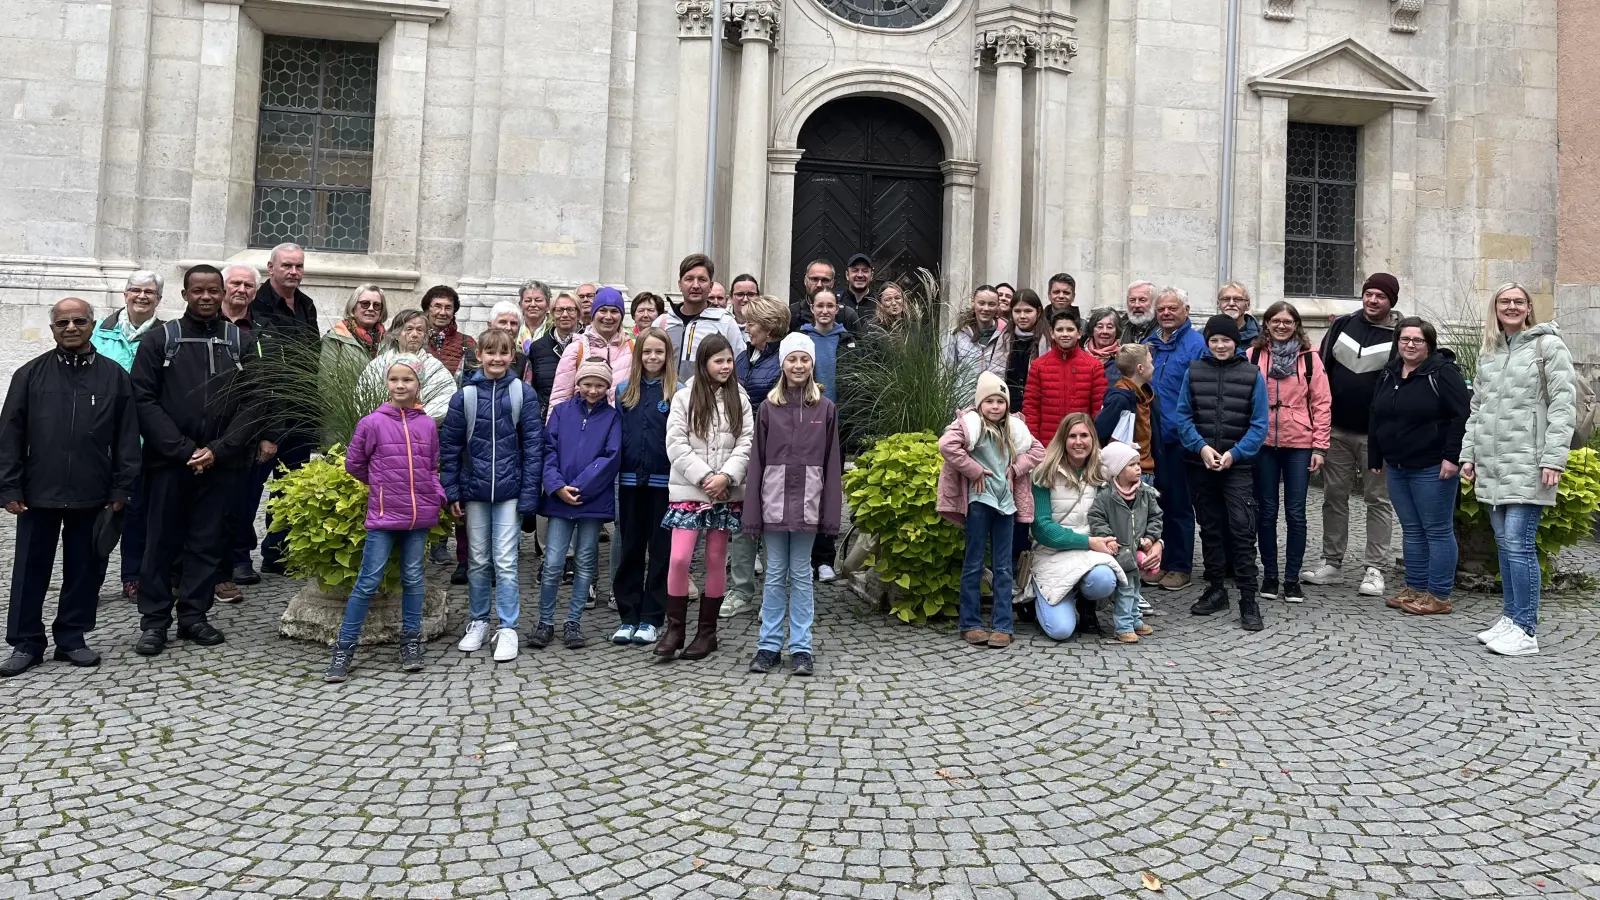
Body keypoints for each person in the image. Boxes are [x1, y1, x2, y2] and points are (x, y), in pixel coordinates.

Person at [0, 298, 140, 676]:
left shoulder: (114, 376)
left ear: (92, 325)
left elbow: (127, 438)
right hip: (37, 492)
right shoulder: (29, 375)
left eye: (79, 321)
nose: (71, 327)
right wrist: (9, 488)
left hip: (93, 492)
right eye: (63, 323)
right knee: (30, 570)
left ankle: (72, 638)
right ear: (52, 329)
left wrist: (121, 489)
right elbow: (10, 435)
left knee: (85, 569)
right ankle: (26, 643)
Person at [131, 265, 261, 656]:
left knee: (207, 543)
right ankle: (154, 622)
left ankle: (193, 616)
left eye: (213, 291)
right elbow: (143, 399)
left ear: (222, 294)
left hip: (221, 465)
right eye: (198, 291)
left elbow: (256, 402)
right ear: (185, 294)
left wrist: (219, 449)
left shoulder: (240, 342)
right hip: (169, 464)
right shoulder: (160, 340)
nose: (206, 297)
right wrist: (183, 449)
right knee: (160, 544)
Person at [1461, 283, 1578, 657]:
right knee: (1504, 543)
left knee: (1518, 543)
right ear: (1495, 308)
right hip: (1494, 463)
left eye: (1518, 301)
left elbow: (1563, 405)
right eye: (1504, 301)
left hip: (1530, 460)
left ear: (1529, 308)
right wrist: (1469, 455)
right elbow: (1477, 409)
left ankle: (1526, 630)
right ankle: (1511, 619)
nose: (1511, 306)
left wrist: (1554, 458)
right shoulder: (1490, 352)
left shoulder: (1548, 347)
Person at [323, 357, 448, 682]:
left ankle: (411, 641)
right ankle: (344, 647)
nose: (401, 385)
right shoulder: (372, 423)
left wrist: (436, 493)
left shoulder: (427, 425)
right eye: (395, 379)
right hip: (384, 515)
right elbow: (354, 464)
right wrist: (381, 485)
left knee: (414, 579)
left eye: (408, 379)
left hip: (418, 516)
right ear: (387, 384)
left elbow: (432, 465)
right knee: (368, 581)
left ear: (418, 384)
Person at [743, 333, 843, 676]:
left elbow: (832, 464)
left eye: (804, 360)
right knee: (774, 574)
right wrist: (752, 513)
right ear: (782, 364)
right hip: (772, 502)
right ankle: (769, 644)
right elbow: (756, 462)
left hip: (809, 504)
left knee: (801, 574)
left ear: (812, 364)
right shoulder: (768, 408)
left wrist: (830, 514)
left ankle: (801, 646)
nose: (798, 366)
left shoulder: (825, 409)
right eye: (792, 359)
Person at [440, 328, 543, 663]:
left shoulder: (523, 394)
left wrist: (529, 494)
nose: (497, 359)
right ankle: (479, 621)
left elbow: (534, 448)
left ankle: (508, 627)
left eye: (503, 353)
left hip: (510, 491)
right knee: (478, 560)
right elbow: (450, 448)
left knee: (506, 561)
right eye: (491, 352)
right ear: (479, 356)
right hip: (475, 491)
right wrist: (452, 490)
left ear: (512, 356)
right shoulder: (464, 397)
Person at [1303, 273, 1400, 597]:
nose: (1373, 300)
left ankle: (1375, 568)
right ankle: (1331, 562)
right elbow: (1321, 371)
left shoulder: (1401, 333)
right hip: (1337, 430)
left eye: (1380, 296)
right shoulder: (1342, 326)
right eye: (1369, 294)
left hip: (1377, 436)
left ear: (1391, 301)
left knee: (1378, 500)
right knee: (1334, 497)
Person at [1367, 317, 1470, 619]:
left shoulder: (1443, 373)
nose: (1410, 345)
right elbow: (1377, 414)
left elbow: (1460, 416)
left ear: (1429, 345)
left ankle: (1438, 594)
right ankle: (1415, 588)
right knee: (1412, 530)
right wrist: (1375, 455)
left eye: (1417, 340)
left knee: (1437, 531)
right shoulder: (1389, 372)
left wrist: (1452, 457)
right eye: (1404, 339)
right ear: (1397, 342)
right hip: (1398, 465)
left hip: (1433, 466)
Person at [660, 334, 753, 661]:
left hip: (725, 493)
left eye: (729, 361)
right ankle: (674, 629)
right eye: (719, 361)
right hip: (690, 489)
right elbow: (676, 444)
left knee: (715, 559)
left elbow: (746, 443)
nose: (726, 366)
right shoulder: (683, 398)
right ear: (704, 363)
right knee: (679, 558)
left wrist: (726, 476)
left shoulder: (740, 399)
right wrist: (705, 477)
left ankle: (707, 632)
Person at [1175, 315, 1269, 631]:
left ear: (1235, 342)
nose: (1220, 345)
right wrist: (1201, 448)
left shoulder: (1252, 374)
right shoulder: (1194, 371)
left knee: (1242, 529)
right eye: (1214, 340)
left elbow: (1259, 425)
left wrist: (1234, 454)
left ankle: (1248, 598)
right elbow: (1183, 417)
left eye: (1225, 340)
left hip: (1237, 465)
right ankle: (1216, 589)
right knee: (1210, 528)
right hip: (1201, 463)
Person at [938, 372, 1044, 649]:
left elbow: (1038, 451)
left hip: (1006, 504)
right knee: (973, 563)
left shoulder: (1015, 428)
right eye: (989, 401)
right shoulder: (970, 425)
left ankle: (1002, 625)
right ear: (980, 403)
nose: (995, 406)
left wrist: (1016, 468)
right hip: (979, 502)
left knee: (1003, 566)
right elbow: (946, 445)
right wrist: (973, 469)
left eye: (1000, 401)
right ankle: (970, 623)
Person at [536, 357, 622, 651]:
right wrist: (557, 486)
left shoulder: (612, 418)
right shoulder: (561, 412)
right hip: (560, 499)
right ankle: (545, 621)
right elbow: (548, 450)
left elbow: (611, 456)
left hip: (591, 499)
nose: (593, 390)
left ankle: (573, 621)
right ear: (578, 383)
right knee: (553, 563)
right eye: (588, 383)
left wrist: (580, 486)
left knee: (585, 560)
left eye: (599, 385)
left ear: (607, 387)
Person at [1248, 301, 1331, 605]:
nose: (1281, 326)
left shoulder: (1309, 358)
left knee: (1296, 513)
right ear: (1267, 324)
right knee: (1266, 512)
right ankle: (1270, 574)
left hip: (1300, 442)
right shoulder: (1253, 355)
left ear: (1296, 325)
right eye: (1276, 321)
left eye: (1287, 321)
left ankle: (1292, 578)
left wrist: (1320, 446)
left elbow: (1321, 403)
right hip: (1263, 442)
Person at [92, 271, 163, 599]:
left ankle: (133, 575)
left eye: (149, 292)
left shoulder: (166, 334)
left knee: (137, 511)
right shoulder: (99, 331)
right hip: (102, 436)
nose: (142, 296)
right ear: (125, 293)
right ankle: (90, 579)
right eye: (136, 290)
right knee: (97, 509)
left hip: (146, 438)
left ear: (159, 299)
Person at [250, 243, 320, 576]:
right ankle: (237, 556)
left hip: (300, 410)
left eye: (299, 266)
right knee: (251, 488)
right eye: (287, 265)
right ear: (271, 267)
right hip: (266, 410)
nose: (294, 271)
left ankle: (278, 553)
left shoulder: (306, 305)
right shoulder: (256, 303)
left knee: (291, 488)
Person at [1028, 414, 1125, 640]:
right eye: (1072, 436)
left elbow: (1127, 514)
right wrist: (1088, 541)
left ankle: (1086, 603)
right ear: (1063, 439)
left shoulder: (1104, 473)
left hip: (1091, 554)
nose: (1078, 442)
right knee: (1061, 631)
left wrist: (1155, 542)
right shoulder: (1043, 473)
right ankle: (1039, 597)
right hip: (1053, 554)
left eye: (1084, 435)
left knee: (1104, 580)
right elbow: (1041, 528)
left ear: (1093, 438)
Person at [612, 328, 679, 646]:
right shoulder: (624, 390)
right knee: (631, 547)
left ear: (668, 356)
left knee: (661, 551)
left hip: (664, 483)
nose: (653, 357)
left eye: (659, 352)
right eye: (647, 352)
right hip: (629, 481)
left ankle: (652, 617)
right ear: (638, 355)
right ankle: (628, 616)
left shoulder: (677, 392)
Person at [725, 297, 790, 618]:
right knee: (742, 521)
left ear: (769, 327)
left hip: (775, 451)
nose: (746, 328)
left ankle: (774, 595)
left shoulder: (786, 360)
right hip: (742, 448)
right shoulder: (742, 357)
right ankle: (741, 590)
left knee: (775, 522)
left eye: (751, 323)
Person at [1143, 287, 1206, 590]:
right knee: (1154, 502)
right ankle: (1157, 561)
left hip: (1179, 436)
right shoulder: (1149, 343)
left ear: (1186, 310)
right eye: (1161, 309)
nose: (1166, 313)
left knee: (1179, 503)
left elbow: (1200, 392)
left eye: (1173, 308)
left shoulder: (1196, 345)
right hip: (1149, 436)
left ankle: (1180, 565)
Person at [214, 263, 263, 599]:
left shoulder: (263, 330)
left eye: (248, 285)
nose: (241, 290)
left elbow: (271, 384)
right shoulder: (202, 325)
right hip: (202, 428)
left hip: (245, 430)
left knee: (239, 502)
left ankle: (234, 563)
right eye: (235, 283)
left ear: (255, 293)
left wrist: (269, 434)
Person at [1089, 441, 1164, 643]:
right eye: (1131, 465)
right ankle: (1123, 626)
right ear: (1118, 470)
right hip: (1119, 551)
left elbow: (1156, 517)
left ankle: (1135, 619)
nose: (1138, 468)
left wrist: (1151, 537)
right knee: (1125, 589)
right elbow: (1096, 518)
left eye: (1138, 464)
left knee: (1136, 586)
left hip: (1137, 549)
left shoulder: (1145, 493)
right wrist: (1108, 538)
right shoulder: (1106, 496)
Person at [1024, 311, 1106, 443]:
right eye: (1060, 330)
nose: (1065, 334)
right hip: (1047, 443)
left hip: (1080, 443)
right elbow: (1031, 409)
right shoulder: (1038, 366)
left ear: (1079, 333)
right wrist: (1034, 442)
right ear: (1052, 333)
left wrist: (1094, 442)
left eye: (1070, 329)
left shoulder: (1094, 366)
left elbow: (1098, 410)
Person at [661, 254, 746, 380]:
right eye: (689, 279)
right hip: (666, 392)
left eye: (702, 279)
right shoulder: (663, 322)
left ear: (710, 286)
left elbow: (740, 365)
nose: (695, 285)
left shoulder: (725, 323)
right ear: (680, 284)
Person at [548, 287, 634, 411]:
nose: (608, 317)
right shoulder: (576, 349)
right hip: (584, 421)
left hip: (623, 421)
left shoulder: (633, 348)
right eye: (602, 310)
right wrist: (553, 423)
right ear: (593, 314)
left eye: (614, 311)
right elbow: (560, 397)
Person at [362, 310, 456, 421]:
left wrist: (414, 421)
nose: (415, 335)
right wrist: (384, 422)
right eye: (409, 329)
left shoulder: (435, 368)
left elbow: (445, 400)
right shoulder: (378, 364)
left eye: (420, 330)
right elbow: (362, 397)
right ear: (396, 334)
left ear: (425, 336)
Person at [1095, 343, 1161, 486]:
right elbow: (1100, 430)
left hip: (1147, 469)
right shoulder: (1120, 398)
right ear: (1140, 368)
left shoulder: (1146, 396)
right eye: (1151, 362)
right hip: (1127, 473)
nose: (1154, 367)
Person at [944, 285, 1010, 394]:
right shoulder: (957, 334)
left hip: (995, 400)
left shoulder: (1006, 335)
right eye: (981, 303)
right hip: (964, 401)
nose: (986, 308)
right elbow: (948, 373)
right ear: (973, 302)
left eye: (991, 304)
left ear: (998, 305)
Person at [528, 292, 581, 420]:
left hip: (581, 417)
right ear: (552, 314)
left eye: (570, 310)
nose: (565, 315)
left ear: (578, 314)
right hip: (547, 418)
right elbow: (533, 388)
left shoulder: (589, 343)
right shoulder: (538, 347)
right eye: (559, 310)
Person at [321, 284, 388, 383]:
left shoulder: (389, 341)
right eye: (365, 304)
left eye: (376, 305)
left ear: (381, 310)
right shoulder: (335, 338)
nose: (371, 308)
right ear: (353, 306)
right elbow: (326, 382)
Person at [1004, 289, 1049, 413]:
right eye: (1017, 311)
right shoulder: (1004, 338)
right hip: (1007, 406)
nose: (1022, 316)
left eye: (1028, 311)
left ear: (1038, 312)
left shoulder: (1048, 341)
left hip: (1037, 406)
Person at [421, 285, 476, 378]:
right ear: (427, 309)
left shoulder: (467, 342)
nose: (443, 312)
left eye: (448, 308)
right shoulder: (415, 338)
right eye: (437, 306)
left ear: (453, 312)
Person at [1081, 307, 1123, 387]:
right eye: (1100, 327)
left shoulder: (1123, 360)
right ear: (1092, 330)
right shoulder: (1079, 356)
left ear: (1117, 331)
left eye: (1109, 327)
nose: (1105, 331)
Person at [1215, 282, 1260, 350]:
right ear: (1218, 304)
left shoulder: (1262, 337)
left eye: (1238, 299)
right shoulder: (1203, 335)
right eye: (1226, 299)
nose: (1231, 303)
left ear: (1248, 305)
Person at [842, 253, 879, 324]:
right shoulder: (836, 302)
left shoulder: (879, 303)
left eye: (865, 271)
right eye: (855, 270)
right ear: (847, 275)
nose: (860, 275)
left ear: (871, 276)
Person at [518, 280, 552, 344]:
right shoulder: (513, 327)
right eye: (528, 300)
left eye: (538, 300)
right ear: (520, 305)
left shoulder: (555, 330)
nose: (533, 305)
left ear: (548, 305)